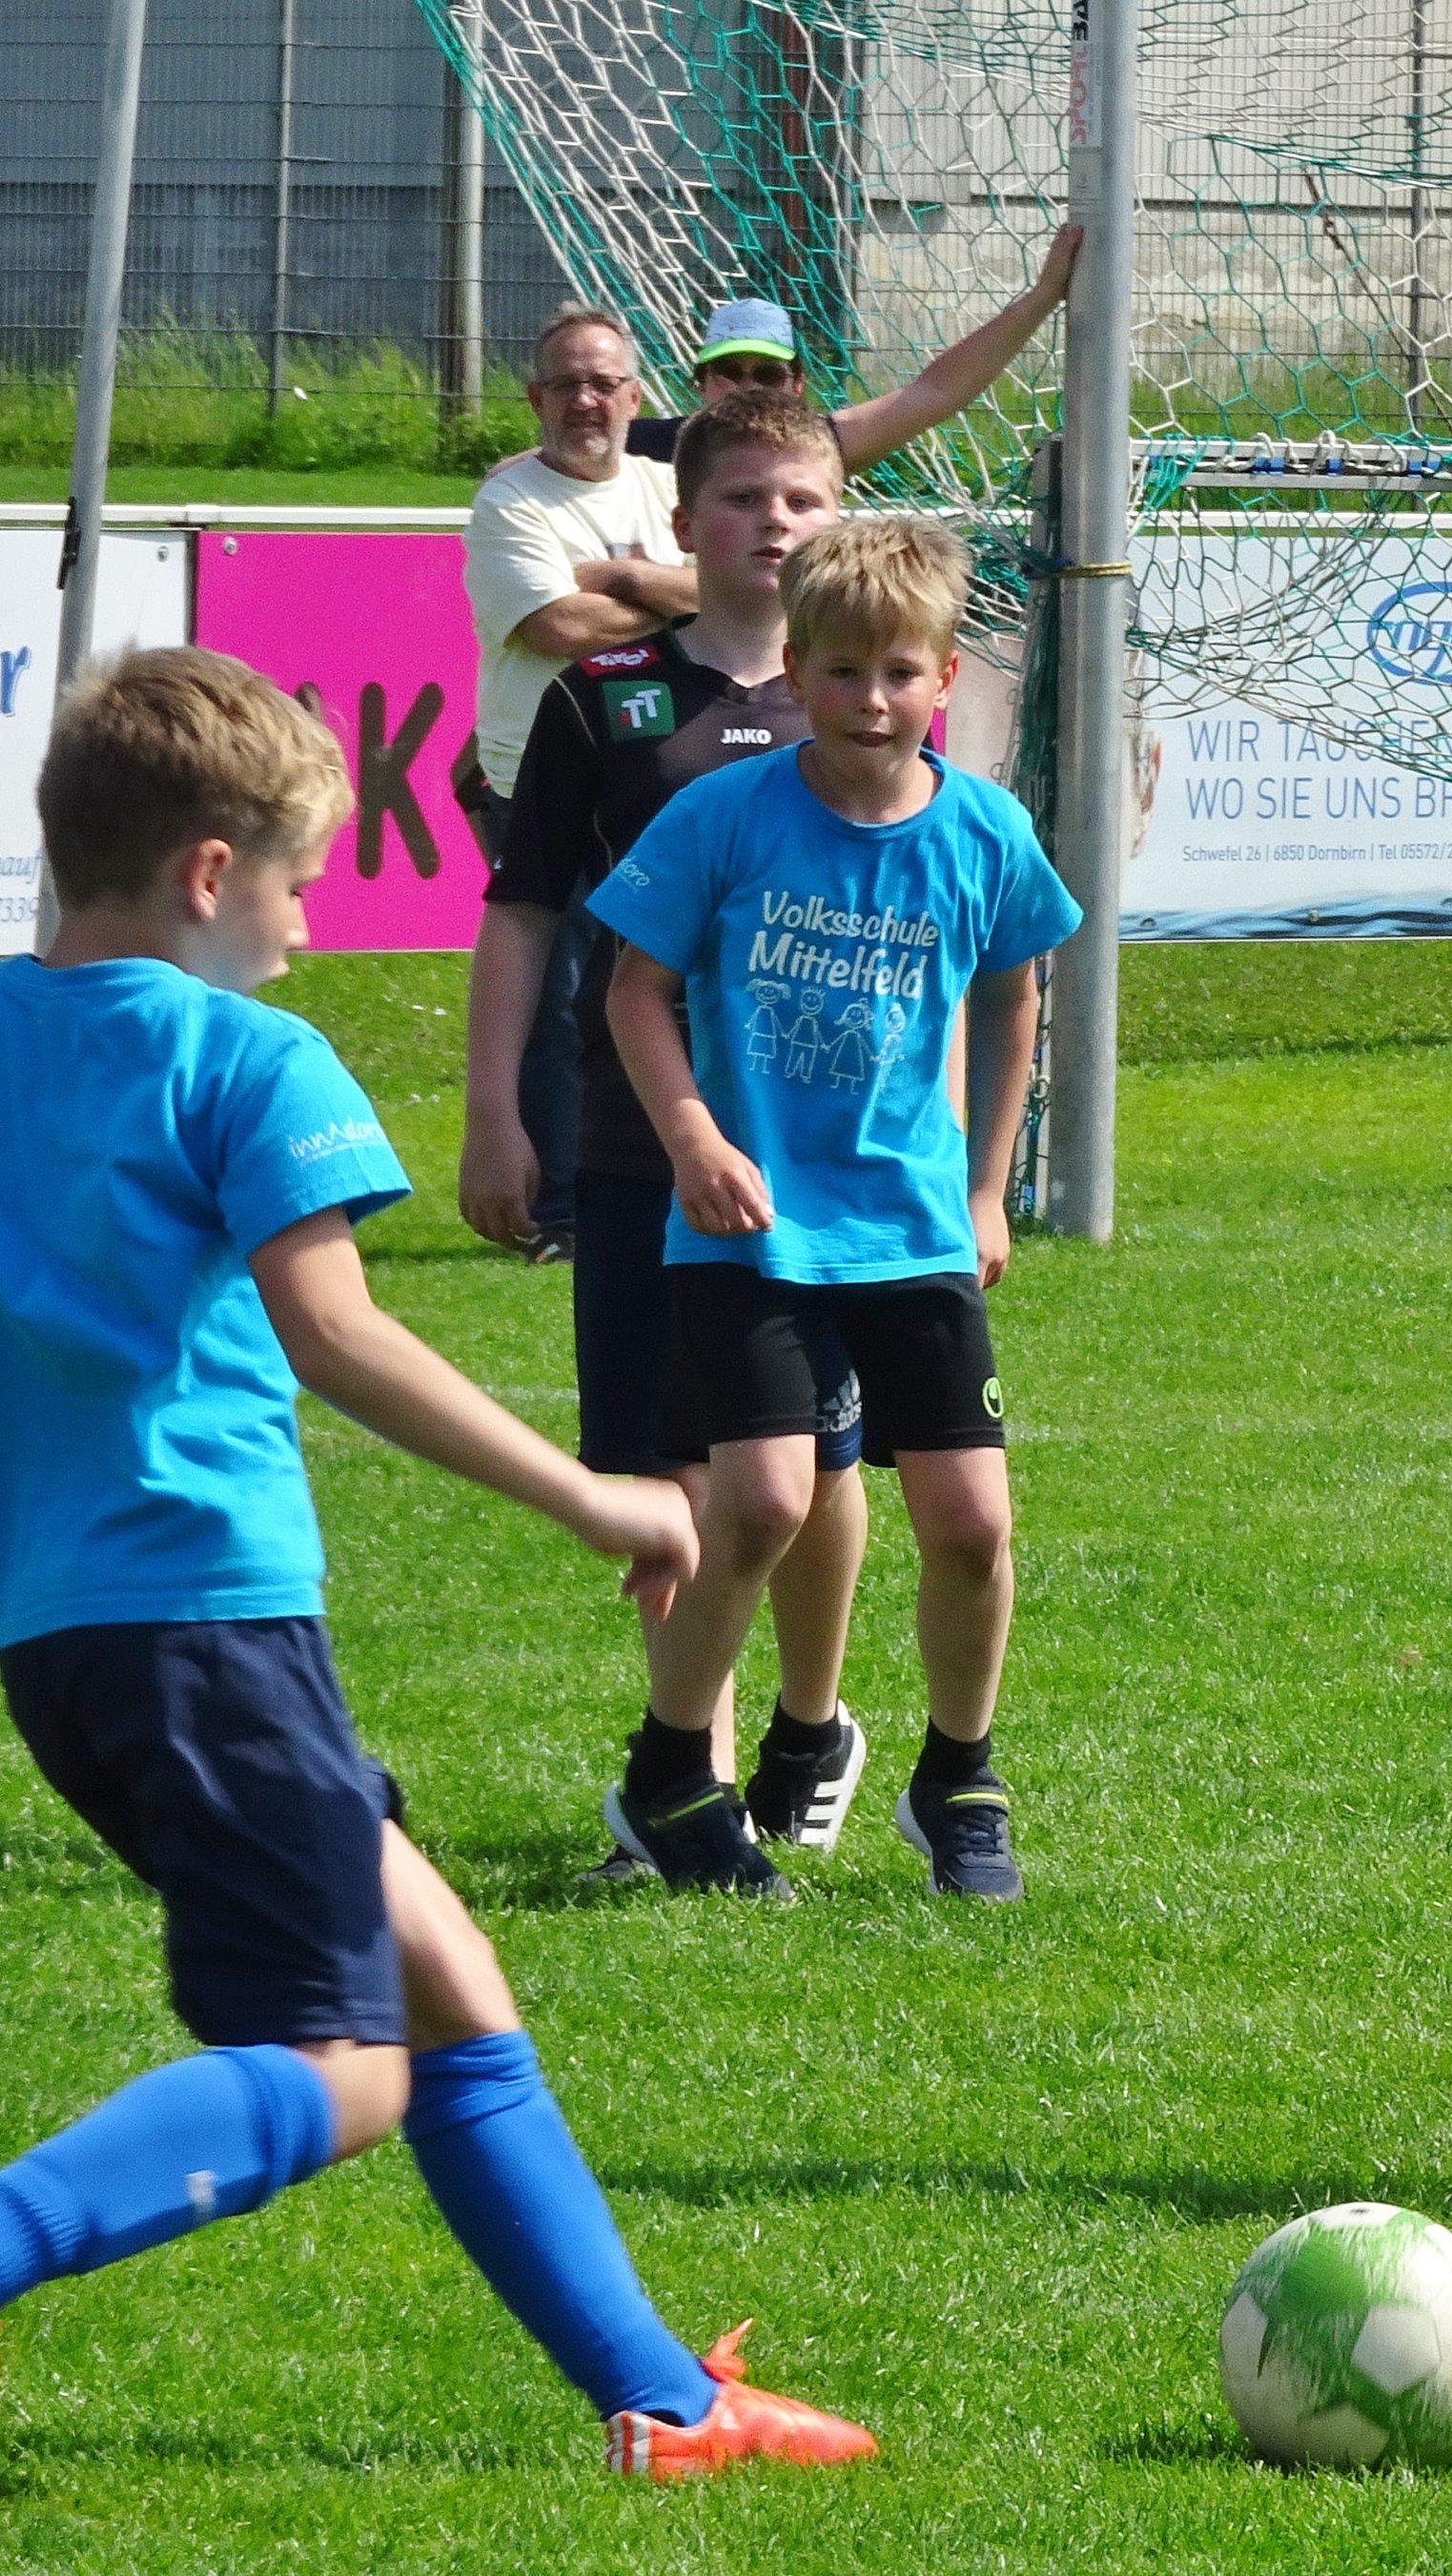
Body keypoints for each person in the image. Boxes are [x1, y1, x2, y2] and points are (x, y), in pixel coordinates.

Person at [0, 646, 872, 2478]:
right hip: (203, 1621)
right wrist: (596, 1494)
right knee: (347, 2061)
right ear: (210, 875)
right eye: (299, 880)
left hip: (63, 1631)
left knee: (451, 1976)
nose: (309, 926)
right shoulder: (243, 1053)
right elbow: (335, 1330)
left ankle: (665, 2402)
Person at [595, 517, 1074, 1902]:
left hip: (912, 1229)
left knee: (974, 1523)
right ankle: (671, 1776)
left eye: (901, 673)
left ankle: (958, 1779)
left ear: (945, 683)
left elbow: (1013, 989)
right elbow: (634, 987)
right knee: (756, 1503)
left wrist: (987, 1187)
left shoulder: (982, 831)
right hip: (752, 1228)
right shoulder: (724, 816)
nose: (874, 700)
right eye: (845, 670)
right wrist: (690, 1137)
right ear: (795, 669)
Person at [457, 390, 878, 1891]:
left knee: (821, 1467)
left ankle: (811, 1730)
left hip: (818, 1163)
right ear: (680, 521)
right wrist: (495, 1110)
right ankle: (684, 1774)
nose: (775, 523)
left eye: (804, 500)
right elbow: (520, 912)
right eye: (744, 498)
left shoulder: (869, 693)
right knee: (664, 1476)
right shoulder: (608, 696)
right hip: (639, 1153)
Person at [454, 305, 695, 1258]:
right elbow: (553, 629)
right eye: (566, 384)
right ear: (535, 398)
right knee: (555, 995)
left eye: (604, 383)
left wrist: (617, 581)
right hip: (531, 776)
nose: (586, 400)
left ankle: (635, 1179)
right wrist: (669, 597)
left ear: (636, 398)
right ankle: (552, 1207)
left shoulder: (671, 482)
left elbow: (743, 591)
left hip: (648, 775)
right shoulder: (509, 502)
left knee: (641, 987)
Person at [610, 228, 1083, 473]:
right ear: (701, 384)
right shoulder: (643, 447)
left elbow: (936, 390)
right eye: (730, 371)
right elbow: (547, 461)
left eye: (768, 375)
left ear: (797, 387)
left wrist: (1043, 296)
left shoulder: (818, 447)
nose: (748, 387)